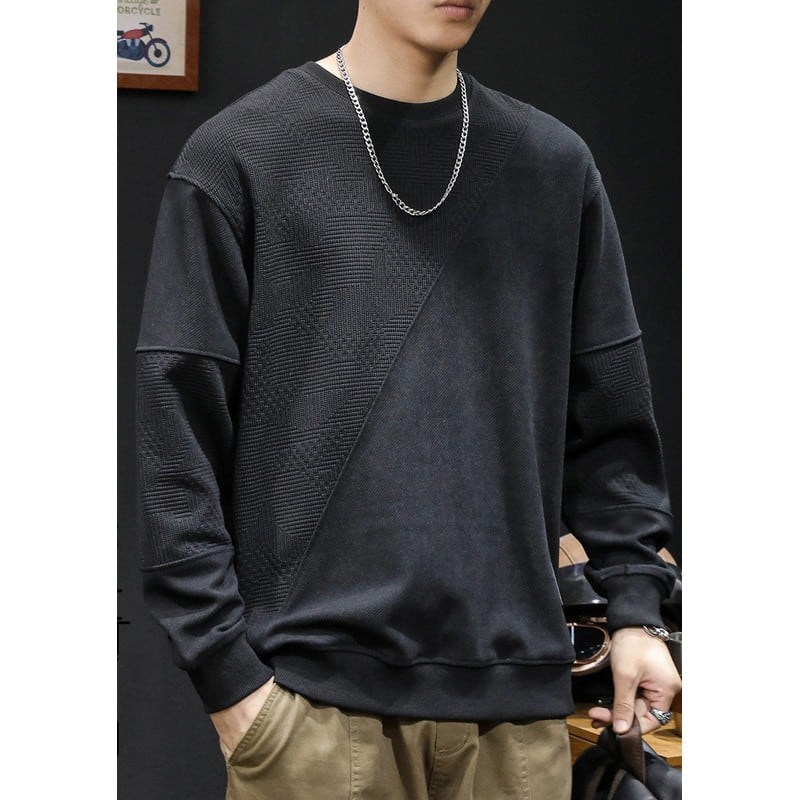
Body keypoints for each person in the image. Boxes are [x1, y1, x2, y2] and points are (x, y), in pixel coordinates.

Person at [135, 1, 681, 797]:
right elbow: (176, 437)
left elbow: (610, 428)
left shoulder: (553, 167)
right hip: (311, 718)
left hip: (517, 718)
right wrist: (229, 680)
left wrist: (637, 610)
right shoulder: (244, 154)